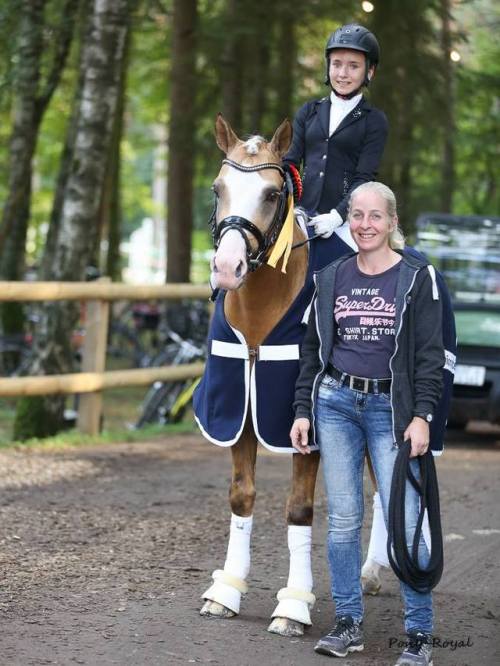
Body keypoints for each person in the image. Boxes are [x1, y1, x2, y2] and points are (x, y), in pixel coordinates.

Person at [290, 181, 444, 665]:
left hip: (390, 415)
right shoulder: (331, 276)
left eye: (375, 216)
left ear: (393, 222)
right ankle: (348, 625)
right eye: (356, 215)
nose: (364, 225)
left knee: (407, 521)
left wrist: (422, 416)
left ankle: (419, 637)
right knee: (342, 522)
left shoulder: (418, 279)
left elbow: (429, 358)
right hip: (336, 405)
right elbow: (312, 349)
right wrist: (301, 409)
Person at [283, 24, 388, 241]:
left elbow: (364, 178)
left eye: (353, 66)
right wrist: (292, 206)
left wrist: (338, 216)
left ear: (369, 71)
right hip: (300, 218)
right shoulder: (309, 111)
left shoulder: (374, 120)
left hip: (346, 224)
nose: (342, 74)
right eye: (336, 64)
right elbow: (290, 164)